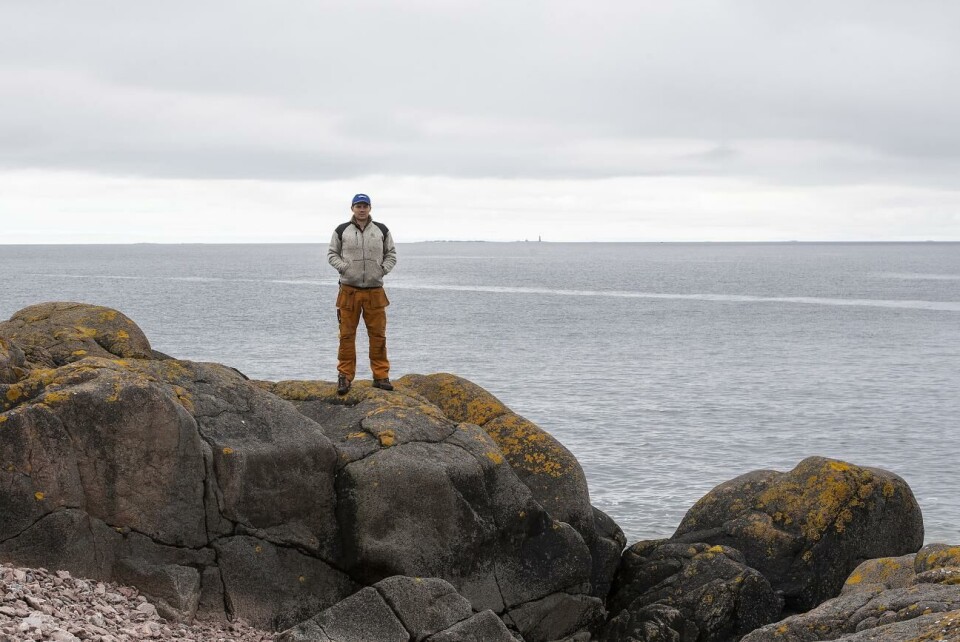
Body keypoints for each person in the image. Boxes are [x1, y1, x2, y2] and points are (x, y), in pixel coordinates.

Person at [327, 193, 397, 395]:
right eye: (358, 206)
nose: (362, 209)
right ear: (352, 208)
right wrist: (343, 268)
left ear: (370, 208)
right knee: (346, 336)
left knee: (378, 336)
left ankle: (381, 376)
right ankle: (345, 376)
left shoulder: (381, 230)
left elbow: (391, 253)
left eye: (365, 205)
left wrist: (382, 269)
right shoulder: (342, 230)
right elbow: (332, 254)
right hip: (348, 291)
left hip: (375, 291)